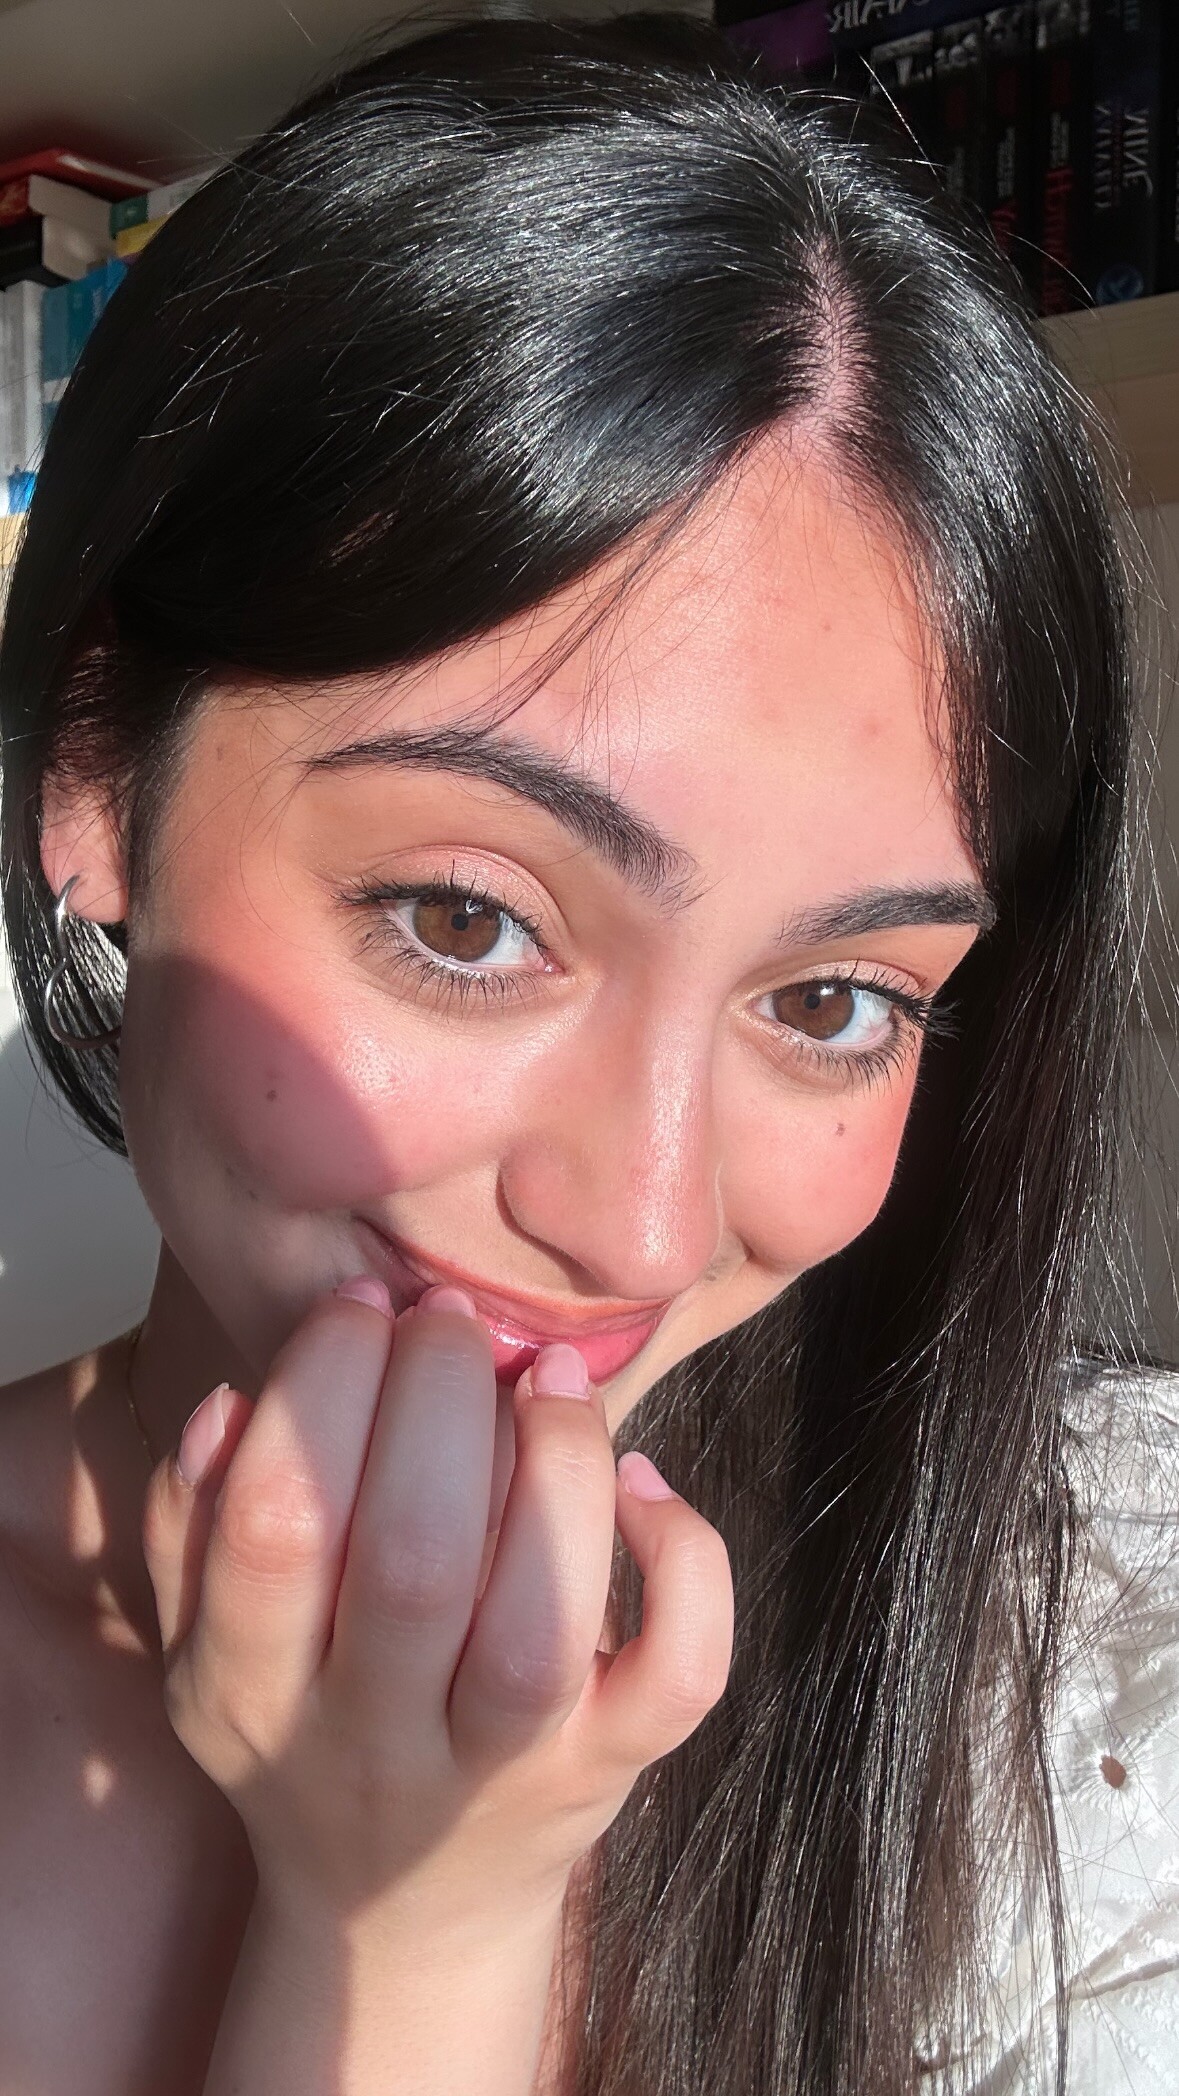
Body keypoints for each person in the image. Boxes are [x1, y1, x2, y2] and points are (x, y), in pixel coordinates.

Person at [0, 13, 1175, 2093]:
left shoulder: (1102, 1684)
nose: (634, 1226)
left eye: (830, 1001)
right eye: (469, 920)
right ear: (94, 768)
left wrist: (421, 1920)